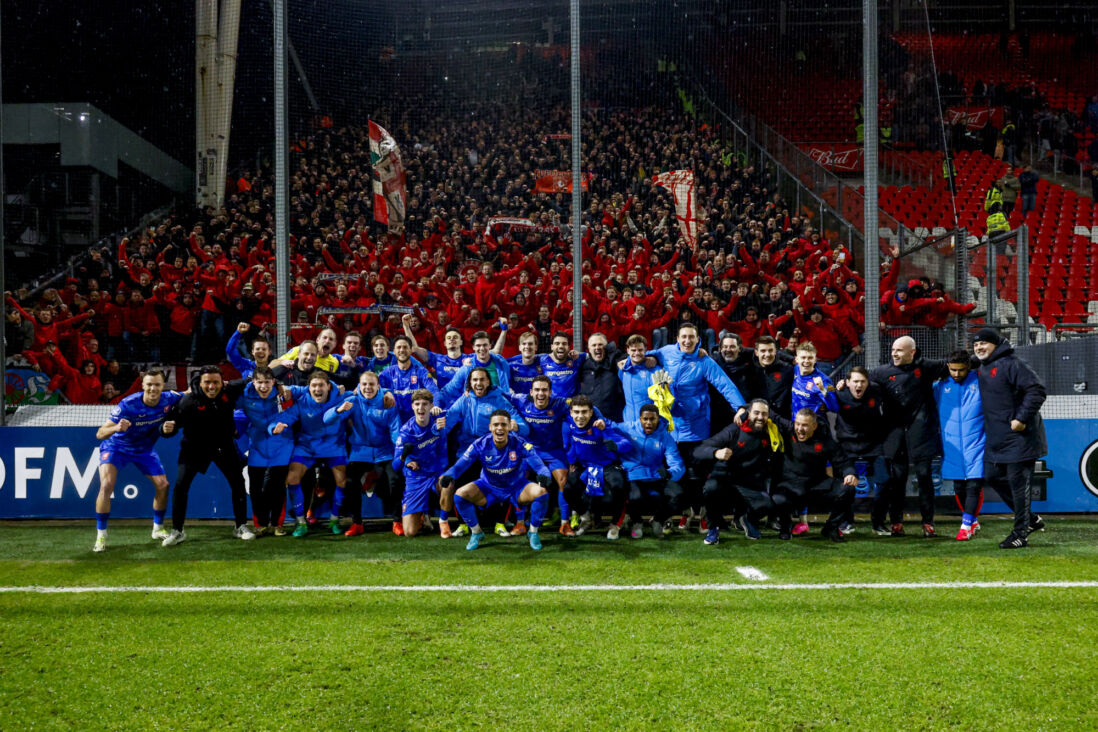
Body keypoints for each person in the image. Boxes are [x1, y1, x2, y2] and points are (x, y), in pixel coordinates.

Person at [650, 322, 746, 532]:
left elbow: (724, 384)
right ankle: (680, 514)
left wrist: (740, 407)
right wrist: (630, 362)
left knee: (697, 476)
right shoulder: (665, 352)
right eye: (683, 337)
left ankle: (702, 514)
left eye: (691, 337)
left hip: (696, 427)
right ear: (677, 338)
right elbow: (644, 355)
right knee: (675, 475)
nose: (687, 341)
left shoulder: (704, 360)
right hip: (670, 429)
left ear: (698, 339)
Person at [91, 369, 183, 552]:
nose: (153, 388)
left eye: (157, 384)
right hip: (116, 447)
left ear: (163, 386)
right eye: (149, 384)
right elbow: (100, 433)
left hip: (144, 449)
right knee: (106, 485)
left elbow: (189, 393)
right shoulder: (128, 404)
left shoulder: (169, 398)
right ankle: (101, 535)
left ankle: (158, 528)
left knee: (163, 485)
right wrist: (116, 428)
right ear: (143, 385)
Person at [160, 366, 253, 546]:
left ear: (222, 382)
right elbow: (169, 424)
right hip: (194, 449)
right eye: (207, 382)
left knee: (238, 483)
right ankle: (177, 531)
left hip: (224, 447)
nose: (212, 386)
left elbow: (255, 378)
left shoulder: (229, 392)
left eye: (216, 382)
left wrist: (279, 385)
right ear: (200, 382)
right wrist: (165, 429)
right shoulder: (188, 401)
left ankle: (240, 526)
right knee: (180, 486)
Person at [972, 329, 1048, 548]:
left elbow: (1037, 390)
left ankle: (1020, 534)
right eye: (976, 345)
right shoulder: (983, 365)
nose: (979, 348)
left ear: (996, 345)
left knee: (1019, 486)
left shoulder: (1013, 363)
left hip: (1020, 437)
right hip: (998, 438)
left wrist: (1021, 418)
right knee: (992, 476)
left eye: (983, 343)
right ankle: (1030, 520)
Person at [870, 335, 947, 537]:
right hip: (895, 435)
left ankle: (928, 523)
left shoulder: (927, 367)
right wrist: (844, 384)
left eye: (899, 350)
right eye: (893, 350)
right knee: (898, 480)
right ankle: (896, 522)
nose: (894, 354)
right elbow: (861, 383)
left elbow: (956, 366)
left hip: (922, 433)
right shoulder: (881, 373)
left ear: (912, 352)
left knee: (924, 478)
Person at [442, 410, 554, 551]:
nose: (499, 428)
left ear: (509, 427)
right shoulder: (480, 444)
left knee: (541, 492)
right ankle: (476, 533)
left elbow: (539, 465)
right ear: (490, 427)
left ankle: (533, 532)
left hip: (516, 487)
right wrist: (449, 475)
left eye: (503, 425)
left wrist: (545, 475)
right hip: (488, 487)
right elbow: (460, 465)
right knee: (460, 495)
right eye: (496, 425)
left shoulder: (520, 443)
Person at [693, 399, 783, 545]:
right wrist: (716, 452)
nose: (760, 417)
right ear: (748, 413)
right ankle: (713, 528)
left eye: (764, 414)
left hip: (749, 483)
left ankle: (747, 519)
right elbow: (698, 451)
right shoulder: (734, 429)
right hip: (725, 479)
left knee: (769, 505)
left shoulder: (771, 431)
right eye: (756, 413)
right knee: (710, 489)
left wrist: (744, 407)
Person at [268, 371, 346, 537]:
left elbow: (363, 393)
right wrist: (275, 426)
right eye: (314, 386)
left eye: (321, 385)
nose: (317, 389)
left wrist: (387, 393)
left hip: (333, 446)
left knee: (342, 481)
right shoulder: (302, 402)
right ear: (308, 388)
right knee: (292, 478)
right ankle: (301, 522)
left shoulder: (341, 397)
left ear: (328, 386)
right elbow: (286, 417)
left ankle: (334, 519)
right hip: (307, 446)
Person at [325, 370, 403, 536]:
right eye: (364, 384)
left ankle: (397, 521)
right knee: (350, 481)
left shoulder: (388, 402)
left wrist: (400, 451)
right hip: (360, 451)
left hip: (385, 450)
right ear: (359, 386)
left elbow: (395, 430)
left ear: (378, 386)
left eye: (371, 384)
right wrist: (338, 410)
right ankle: (357, 523)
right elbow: (326, 419)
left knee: (395, 479)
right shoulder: (352, 401)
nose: (368, 387)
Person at [507, 375, 582, 536]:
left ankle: (565, 523)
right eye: (537, 390)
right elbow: (500, 394)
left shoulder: (559, 403)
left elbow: (584, 408)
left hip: (554, 451)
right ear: (531, 392)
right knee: (518, 478)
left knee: (563, 480)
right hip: (529, 450)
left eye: (544, 390)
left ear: (550, 392)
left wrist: (601, 421)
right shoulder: (521, 400)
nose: (540, 393)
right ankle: (520, 523)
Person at [771, 409, 857, 542]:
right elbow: (767, 412)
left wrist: (850, 473)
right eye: (797, 424)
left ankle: (831, 528)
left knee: (847, 489)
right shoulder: (788, 429)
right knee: (778, 498)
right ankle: (785, 527)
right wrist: (744, 409)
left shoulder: (825, 440)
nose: (800, 429)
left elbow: (843, 461)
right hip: (790, 485)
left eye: (805, 425)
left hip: (816, 484)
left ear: (814, 426)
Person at [562, 395, 633, 539]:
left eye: (584, 412)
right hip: (585, 465)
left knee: (618, 486)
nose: (580, 416)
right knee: (568, 489)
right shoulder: (568, 424)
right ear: (571, 413)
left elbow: (627, 444)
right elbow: (570, 444)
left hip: (607, 465)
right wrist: (571, 461)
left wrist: (615, 445)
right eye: (576, 412)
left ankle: (616, 524)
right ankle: (586, 518)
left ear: (591, 412)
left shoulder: (601, 425)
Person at [933, 350, 986, 541]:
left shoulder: (981, 381)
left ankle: (965, 526)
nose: (956, 374)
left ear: (968, 367)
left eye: (961, 370)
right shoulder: (939, 386)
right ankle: (972, 519)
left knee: (974, 484)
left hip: (978, 442)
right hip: (951, 445)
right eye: (953, 370)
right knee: (959, 487)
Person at [236, 366, 294, 536]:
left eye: (267, 382)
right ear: (253, 382)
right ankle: (260, 524)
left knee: (278, 487)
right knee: (255, 488)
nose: (263, 386)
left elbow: (305, 392)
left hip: (282, 445)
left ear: (273, 382)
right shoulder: (244, 396)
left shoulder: (282, 394)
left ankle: (277, 524)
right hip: (257, 446)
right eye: (259, 382)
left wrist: (339, 389)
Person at [833, 366, 889, 535]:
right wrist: (836, 386)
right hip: (847, 446)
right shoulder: (839, 394)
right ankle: (846, 521)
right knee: (845, 484)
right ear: (848, 382)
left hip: (873, 445)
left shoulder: (876, 390)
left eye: (863, 381)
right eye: (855, 381)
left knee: (884, 481)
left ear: (868, 382)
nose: (859, 385)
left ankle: (878, 522)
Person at [618, 404, 685, 538]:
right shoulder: (628, 428)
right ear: (640, 419)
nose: (648, 423)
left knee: (678, 494)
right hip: (633, 475)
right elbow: (607, 427)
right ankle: (636, 523)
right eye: (645, 419)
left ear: (658, 419)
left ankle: (658, 520)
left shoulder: (665, 437)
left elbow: (677, 463)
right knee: (635, 497)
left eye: (652, 419)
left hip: (655, 476)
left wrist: (670, 473)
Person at [392, 389, 452, 537]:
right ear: (412, 406)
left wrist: (440, 431)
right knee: (409, 532)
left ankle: (443, 522)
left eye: (425, 404)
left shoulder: (439, 422)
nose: (421, 408)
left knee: (448, 483)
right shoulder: (406, 431)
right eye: (417, 404)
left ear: (431, 406)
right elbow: (395, 465)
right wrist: (406, 459)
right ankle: (423, 514)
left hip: (435, 472)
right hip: (416, 476)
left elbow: (443, 454)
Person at [438, 330, 512, 406]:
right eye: (478, 345)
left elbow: (510, 381)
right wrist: (436, 404)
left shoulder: (502, 363)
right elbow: (449, 389)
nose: (482, 348)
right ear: (473, 347)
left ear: (490, 345)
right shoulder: (467, 368)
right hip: (477, 409)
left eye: (485, 345)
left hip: (501, 408)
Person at [379, 335, 439, 423]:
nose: (402, 350)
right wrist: (386, 392)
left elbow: (433, 389)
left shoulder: (421, 371)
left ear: (411, 350)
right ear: (394, 351)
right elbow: (373, 385)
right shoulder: (387, 372)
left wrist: (436, 405)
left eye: (405, 347)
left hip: (418, 421)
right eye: (399, 347)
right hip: (395, 422)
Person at [404, 314, 467, 391]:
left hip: (465, 398)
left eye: (455, 337)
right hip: (443, 397)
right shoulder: (437, 359)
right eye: (449, 338)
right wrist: (406, 326)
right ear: (445, 343)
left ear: (461, 342)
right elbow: (414, 348)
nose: (452, 339)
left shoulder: (471, 359)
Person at [578, 332, 624, 421]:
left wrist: (652, 357)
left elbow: (632, 358)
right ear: (589, 349)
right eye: (594, 345)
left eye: (600, 344)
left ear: (607, 347)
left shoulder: (616, 362)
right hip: (590, 422)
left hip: (614, 422)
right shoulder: (583, 367)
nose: (597, 347)